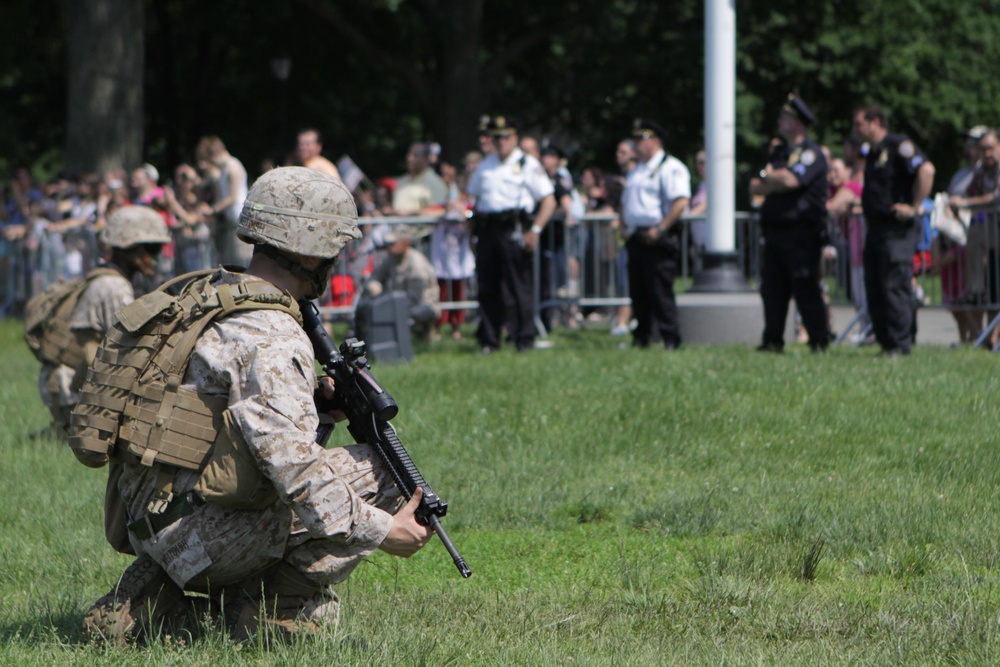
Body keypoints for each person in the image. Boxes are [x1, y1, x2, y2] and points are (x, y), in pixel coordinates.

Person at [80, 167, 432, 644]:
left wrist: (317, 408)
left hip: (143, 518)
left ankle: (156, 597)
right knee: (385, 473)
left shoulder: (209, 295)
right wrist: (385, 529)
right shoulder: (272, 332)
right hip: (197, 537)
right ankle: (264, 611)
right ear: (309, 246)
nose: (337, 258)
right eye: (334, 246)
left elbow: (224, 421)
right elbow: (296, 470)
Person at [36, 206, 170, 436]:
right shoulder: (114, 287)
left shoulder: (107, 277)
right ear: (134, 251)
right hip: (73, 392)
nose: (155, 257)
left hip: (66, 385)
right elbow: (131, 347)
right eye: (153, 249)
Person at [465, 115, 556, 353]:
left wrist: (535, 230)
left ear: (515, 138)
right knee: (487, 287)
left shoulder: (527, 164)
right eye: (497, 137)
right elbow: (473, 200)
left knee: (517, 287)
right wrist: (471, 235)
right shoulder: (486, 165)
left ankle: (523, 338)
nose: (501, 141)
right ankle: (489, 340)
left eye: (505, 137)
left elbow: (548, 200)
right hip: (488, 229)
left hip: (513, 228)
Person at [748, 95, 830, 352]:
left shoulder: (811, 153)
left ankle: (819, 339)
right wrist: (776, 179)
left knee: (805, 286)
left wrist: (770, 180)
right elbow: (753, 187)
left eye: (785, 117)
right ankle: (772, 340)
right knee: (772, 290)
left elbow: (793, 181)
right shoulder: (779, 153)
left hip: (801, 233)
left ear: (797, 123)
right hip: (774, 231)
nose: (780, 122)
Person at [852, 104, 935, 355]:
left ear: (875, 121)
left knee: (894, 285)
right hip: (876, 229)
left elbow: (926, 169)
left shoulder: (899, 145)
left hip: (896, 230)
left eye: (859, 124)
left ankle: (901, 343)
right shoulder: (873, 152)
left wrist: (915, 205)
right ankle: (887, 343)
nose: (856, 130)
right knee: (875, 286)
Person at [620, 118, 691, 349]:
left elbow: (680, 202)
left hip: (658, 238)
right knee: (638, 293)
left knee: (660, 292)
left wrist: (660, 228)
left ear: (655, 141)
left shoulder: (671, 167)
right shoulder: (637, 170)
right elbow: (626, 203)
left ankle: (670, 338)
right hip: (636, 237)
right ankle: (642, 338)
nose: (636, 144)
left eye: (641, 139)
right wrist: (623, 225)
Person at [950, 128, 1000, 347]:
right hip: (992, 238)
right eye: (982, 149)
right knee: (993, 292)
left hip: (993, 233)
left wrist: (966, 204)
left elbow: (996, 196)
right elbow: (970, 192)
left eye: (990, 148)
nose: (986, 153)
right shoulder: (981, 171)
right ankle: (990, 338)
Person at [363, 224, 441, 340]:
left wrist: (390, 307)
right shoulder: (391, 258)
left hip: (423, 304)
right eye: (388, 244)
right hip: (398, 302)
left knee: (411, 314)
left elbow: (415, 298)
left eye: (393, 243)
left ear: (406, 243)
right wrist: (375, 287)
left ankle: (422, 336)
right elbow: (374, 278)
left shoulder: (416, 264)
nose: (389, 247)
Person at [196, 136, 251, 268]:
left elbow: (231, 198)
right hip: (230, 223)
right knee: (230, 261)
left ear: (215, 154)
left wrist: (212, 210)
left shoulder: (233, 168)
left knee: (240, 262)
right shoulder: (223, 170)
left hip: (240, 222)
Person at [391, 142, 448, 215]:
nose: (409, 158)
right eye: (409, 154)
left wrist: (410, 213)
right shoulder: (401, 180)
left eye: (415, 155)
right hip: (394, 225)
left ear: (426, 159)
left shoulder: (436, 183)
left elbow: (440, 211)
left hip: (420, 226)